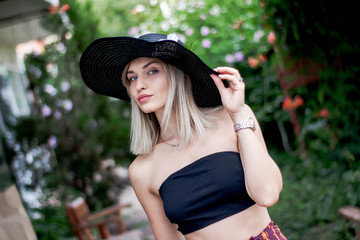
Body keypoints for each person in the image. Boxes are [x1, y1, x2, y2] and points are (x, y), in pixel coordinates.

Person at [80, 33, 287, 240]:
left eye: (152, 71)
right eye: (132, 77)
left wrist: (239, 114)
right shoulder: (143, 170)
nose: (138, 85)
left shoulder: (231, 120)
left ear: (179, 75)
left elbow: (267, 194)